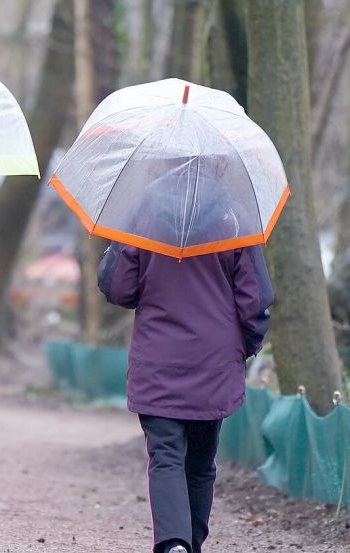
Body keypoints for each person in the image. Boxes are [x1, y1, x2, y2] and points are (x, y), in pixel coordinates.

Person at [97, 198, 274, 553]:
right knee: (201, 462)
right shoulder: (235, 217)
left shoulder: (144, 210)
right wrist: (245, 346)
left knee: (165, 456)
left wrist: (117, 248)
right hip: (215, 362)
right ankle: (189, 543)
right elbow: (255, 300)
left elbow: (118, 287)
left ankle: (173, 544)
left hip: (157, 359)